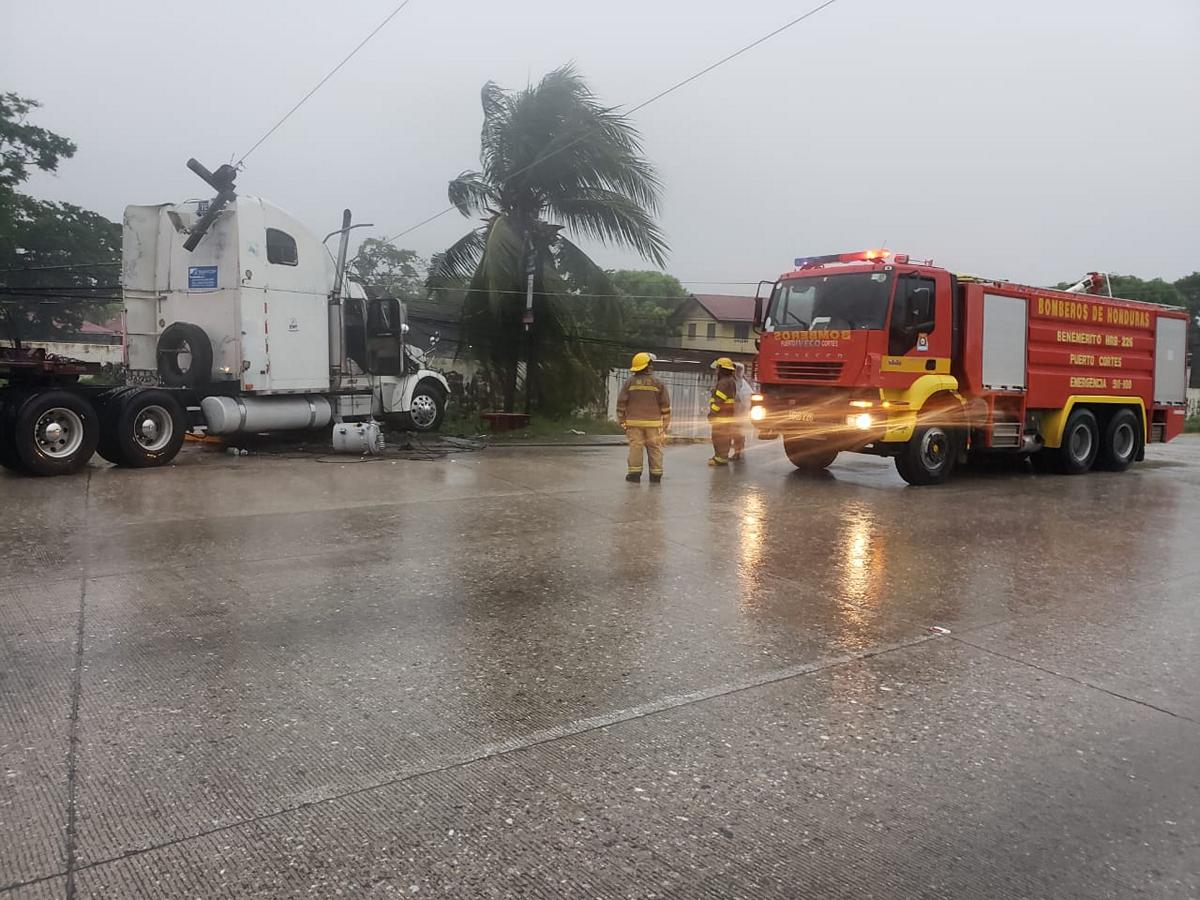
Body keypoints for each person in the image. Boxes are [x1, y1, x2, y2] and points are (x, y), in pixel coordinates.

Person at [616, 352, 671, 483]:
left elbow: (621, 403)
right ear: (648, 366)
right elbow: (665, 405)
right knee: (655, 448)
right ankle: (656, 475)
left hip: (633, 423)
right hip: (654, 424)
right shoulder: (658, 383)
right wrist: (665, 424)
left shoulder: (629, 382)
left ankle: (634, 475)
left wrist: (622, 420)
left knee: (636, 447)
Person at [707, 357, 738, 466]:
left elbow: (719, 400)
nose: (716, 370)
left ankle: (720, 458)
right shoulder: (730, 381)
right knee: (724, 436)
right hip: (727, 415)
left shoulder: (723, 382)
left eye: (717, 368)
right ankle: (721, 457)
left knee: (719, 437)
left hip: (721, 415)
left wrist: (712, 413)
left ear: (721, 369)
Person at [730, 362, 755, 461]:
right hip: (739, 412)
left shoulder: (741, 384)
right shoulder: (739, 382)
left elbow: (741, 398)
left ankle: (738, 452)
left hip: (740, 413)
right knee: (738, 433)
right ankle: (739, 451)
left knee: (737, 433)